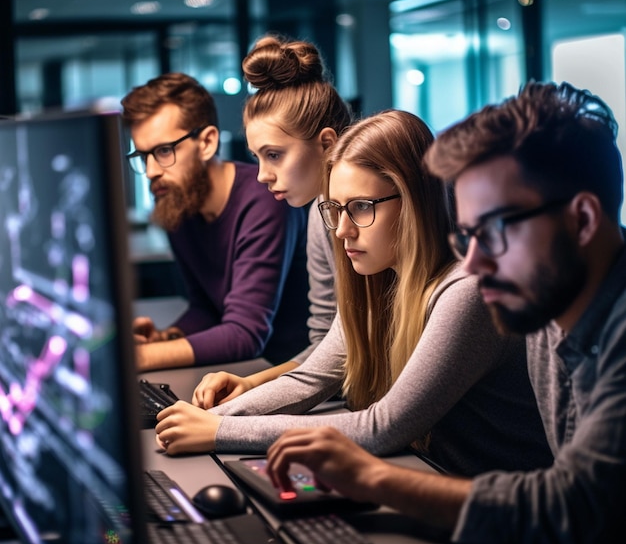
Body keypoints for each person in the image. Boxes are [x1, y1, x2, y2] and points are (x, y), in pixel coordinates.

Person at [265, 82, 626, 544]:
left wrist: (374, 478)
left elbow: (575, 509)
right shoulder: (546, 311)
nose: (474, 262)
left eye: (493, 232)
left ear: (582, 220)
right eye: (468, 234)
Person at [154, 109, 552, 478]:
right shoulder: (377, 281)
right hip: (425, 474)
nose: (342, 230)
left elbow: (381, 427)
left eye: (361, 207)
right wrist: (209, 414)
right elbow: (311, 379)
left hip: (494, 519)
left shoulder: (469, 293)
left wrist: (221, 431)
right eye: (335, 209)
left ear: (414, 200)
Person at [192, 34, 353, 404]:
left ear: (327, 144)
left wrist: (225, 421)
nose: (262, 174)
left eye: (275, 155)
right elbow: (327, 349)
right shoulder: (318, 215)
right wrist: (252, 384)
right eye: (257, 157)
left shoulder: (384, 221)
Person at [120, 72, 309, 371]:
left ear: (207, 142)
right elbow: (206, 309)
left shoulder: (264, 201)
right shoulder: (178, 202)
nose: (152, 170)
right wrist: (166, 338)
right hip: (240, 372)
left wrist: (137, 358)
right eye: (143, 157)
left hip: (290, 375)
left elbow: (246, 333)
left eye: (164, 151)